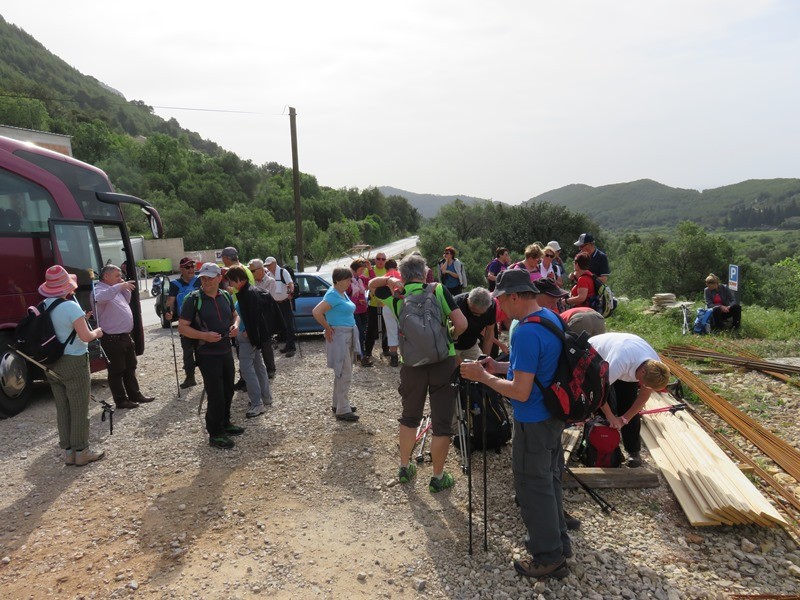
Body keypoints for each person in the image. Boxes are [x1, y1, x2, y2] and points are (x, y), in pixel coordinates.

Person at [460, 269, 570, 579]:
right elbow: (534, 369)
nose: (500, 308)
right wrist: (499, 366)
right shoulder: (550, 318)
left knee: (533, 487)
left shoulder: (524, 331)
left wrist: (485, 377)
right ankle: (559, 543)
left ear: (515, 296)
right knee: (550, 480)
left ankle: (548, 557)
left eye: (501, 301)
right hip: (552, 415)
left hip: (532, 418)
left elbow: (520, 391)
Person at [369, 255, 467, 492]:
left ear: (402, 275)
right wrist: (449, 337)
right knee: (442, 422)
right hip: (443, 362)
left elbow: (371, 286)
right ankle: (437, 478)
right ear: (425, 273)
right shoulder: (439, 290)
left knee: (410, 416)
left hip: (411, 365)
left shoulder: (396, 295)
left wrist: (390, 280)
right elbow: (462, 324)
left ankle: (404, 468)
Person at [37, 265, 105, 466]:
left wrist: (82, 320)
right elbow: (86, 336)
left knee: (63, 407)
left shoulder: (43, 305)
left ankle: (68, 452)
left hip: (51, 363)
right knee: (79, 406)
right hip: (74, 361)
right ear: (68, 286)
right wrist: (97, 332)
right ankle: (82, 451)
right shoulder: (71, 307)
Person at [178, 263, 245, 449]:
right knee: (215, 394)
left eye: (209, 277)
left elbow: (235, 315)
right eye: (203, 278)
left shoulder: (224, 295)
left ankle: (225, 422)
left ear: (219, 278)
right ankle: (215, 433)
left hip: (225, 350)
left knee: (228, 390)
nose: (205, 281)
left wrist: (236, 326)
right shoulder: (193, 299)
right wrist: (204, 336)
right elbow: (182, 327)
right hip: (206, 354)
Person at [589, 333, 671, 468]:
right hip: (597, 354)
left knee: (628, 405)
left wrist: (624, 419)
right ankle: (602, 451)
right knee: (602, 409)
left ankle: (633, 451)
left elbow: (643, 398)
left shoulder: (655, 367)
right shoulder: (619, 362)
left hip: (629, 364)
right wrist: (610, 417)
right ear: (643, 373)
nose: (643, 386)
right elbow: (599, 392)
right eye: (643, 383)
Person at [93, 264, 155, 409]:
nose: (120, 279)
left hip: (125, 336)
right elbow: (100, 298)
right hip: (111, 338)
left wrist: (125, 289)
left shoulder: (115, 289)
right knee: (116, 370)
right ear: (106, 276)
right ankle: (121, 400)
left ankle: (135, 394)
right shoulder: (99, 290)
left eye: (120, 276)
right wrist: (120, 286)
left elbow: (126, 301)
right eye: (117, 276)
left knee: (130, 367)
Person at [225, 265, 280, 418]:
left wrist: (246, 332)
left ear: (238, 279)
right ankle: (266, 397)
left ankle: (257, 404)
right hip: (252, 337)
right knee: (259, 366)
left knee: (247, 369)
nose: (230, 284)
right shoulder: (250, 291)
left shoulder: (247, 294)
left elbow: (254, 316)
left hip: (247, 338)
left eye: (231, 281)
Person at [312, 267, 360, 422]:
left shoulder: (341, 291)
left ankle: (338, 404)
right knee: (345, 372)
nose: (350, 281)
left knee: (341, 371)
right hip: (340, 336)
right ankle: (343, 409)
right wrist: (327, 327)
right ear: (338, 280)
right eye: (347, 279)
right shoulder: (333, 294)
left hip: (346, 334)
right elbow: (317, 312)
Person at [164, 257, 201, 388]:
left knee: (202, 350)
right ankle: (190, 378)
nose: (191, 269)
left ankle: (208, 377)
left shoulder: (201, 280)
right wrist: (169, 313)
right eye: (187, 267)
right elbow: (170, 301)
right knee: (187, 351)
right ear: (181, 269)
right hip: (185, 322)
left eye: (193, 266)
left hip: (201, 321)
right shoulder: (175, 284)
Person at [248, 258, 277, 379]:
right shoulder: (251, 281)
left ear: (260, 270)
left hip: (265, 317)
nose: (251, 273)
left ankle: (271, 369)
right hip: (253, 316)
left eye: (252, 271)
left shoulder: (270, 281)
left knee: (266, 344)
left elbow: (266, 299)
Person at [453, 287, 497, 362]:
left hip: (471, 344)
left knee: (478, 369)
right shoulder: (456, 304)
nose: (478, 316)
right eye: (474, 313)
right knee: (454, 371)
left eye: (482, 314)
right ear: (468, 301)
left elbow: (489, 334)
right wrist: (460, 364)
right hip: (452, 346)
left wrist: (485, 359)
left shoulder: (491, 305)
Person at [264, 256, 296, 358]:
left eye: (269, 264)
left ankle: (291, 347)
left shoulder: (283, 272)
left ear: (274, 263)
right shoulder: (269, 275)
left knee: (289, 325)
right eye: (267, 265)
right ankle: (288, 345)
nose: (268, 267)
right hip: (276, 303)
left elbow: (290, 284)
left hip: (285, 302)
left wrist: (291, 292)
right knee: (282, 326)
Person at [363, 252, 389, 365]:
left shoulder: (388, 270)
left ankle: (386, 350)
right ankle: (368, 351)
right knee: (371, 329)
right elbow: (366, 284)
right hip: (373, 304)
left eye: (383, 259)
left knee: (386, 327)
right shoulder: (368, 270)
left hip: (386, 304)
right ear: (375, 260)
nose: (380, 261)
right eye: (378, 259)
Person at [347, 259, 369, 363]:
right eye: (361, 269)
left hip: (363, 309)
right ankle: (361, 354)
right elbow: (346, 296)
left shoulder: (361, 279)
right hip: (354, 310)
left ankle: (359, 353)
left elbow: (372, 280)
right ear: (354, 270)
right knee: (359, 331)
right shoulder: (348, 281)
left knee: (362, 332)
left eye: (363, 269)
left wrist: (370, 269)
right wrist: (357, 301)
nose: (363, 271)